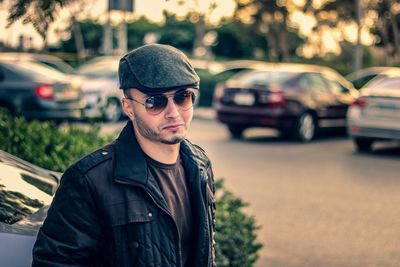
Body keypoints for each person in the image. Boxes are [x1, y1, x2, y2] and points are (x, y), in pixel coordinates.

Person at [32, 44, 216, 267]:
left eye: (183, 97)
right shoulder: (89, 181)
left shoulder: (200, 165)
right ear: (128, 108)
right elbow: (54, 263)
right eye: (154, 101)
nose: (174, 113)